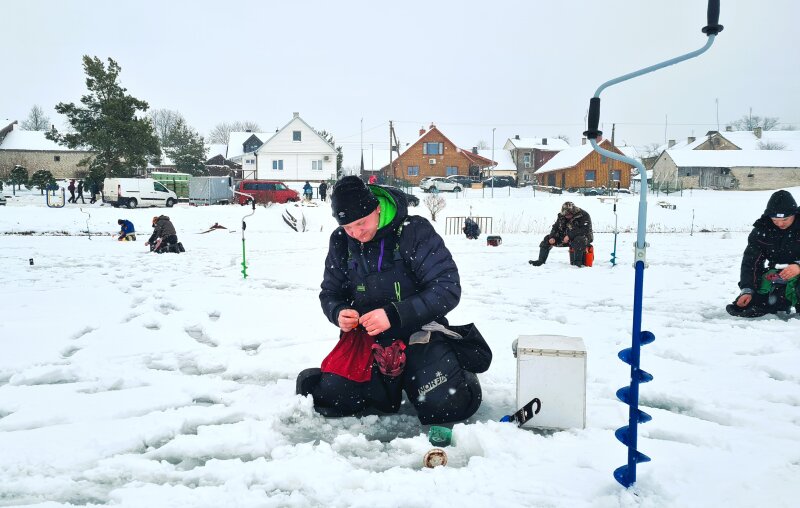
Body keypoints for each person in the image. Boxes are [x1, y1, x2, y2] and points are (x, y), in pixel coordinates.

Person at [296, 176, 489, 424]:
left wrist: (394, 314)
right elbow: (330, 293)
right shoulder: (341, 240)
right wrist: (338, 312)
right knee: (333, 399)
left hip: (420, 333)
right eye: (348, 227)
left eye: (361, 223)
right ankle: (383, 385)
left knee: (446, 405)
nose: (356, 233)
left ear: (377, 208)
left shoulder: (413, 231)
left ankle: (452, 370)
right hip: (370, 339)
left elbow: (447, 289)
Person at [726, 190, 800, 318]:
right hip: (777, 274)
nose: (780, 223)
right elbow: (751, 263)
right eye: (775, 220)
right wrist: (747, 290)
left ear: (794, 214)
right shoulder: (762, 230)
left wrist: (798, 266)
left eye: (785, 219)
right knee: (759, 301)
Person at [529, 201, 594, 267]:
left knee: (579, 240)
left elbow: (585, 230)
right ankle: (540, 261)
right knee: (547, 239)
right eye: (565, 215)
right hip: (565, 238)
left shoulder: (584, 215)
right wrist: (552, 237)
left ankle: (577, 264)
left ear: (573, 211)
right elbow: (555, 227)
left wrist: (569, 236)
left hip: (583, 238)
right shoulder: (561, 215)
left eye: (568, 214)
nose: (566, 216)